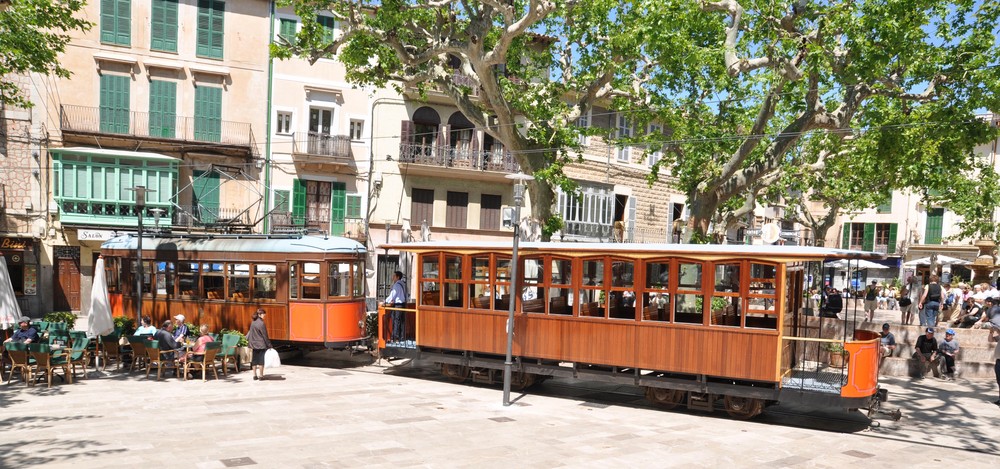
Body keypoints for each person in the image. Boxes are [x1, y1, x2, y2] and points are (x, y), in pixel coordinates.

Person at [383, 271, 408, 345]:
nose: (392, 277)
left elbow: (392, 295)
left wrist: (385, 302)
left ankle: (395, 338)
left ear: (398, 277)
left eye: (394, 276)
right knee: (402, 321)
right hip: (404, 304)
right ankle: (402, 337)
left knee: (396, 321)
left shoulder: (396, 285)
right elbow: (407, 295)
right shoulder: (404, 284)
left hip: (398, 305)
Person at [247, 308, 272, 381]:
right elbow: (265, 335)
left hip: (254, 344)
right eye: (264, 314)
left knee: (254, 360)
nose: (264, 315)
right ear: (259, 315)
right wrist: (269, 344)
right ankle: (261, 376)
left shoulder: (253, 322)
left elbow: (250, 332)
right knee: (261, 360)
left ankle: (254, 375)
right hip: (261, 344)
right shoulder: (261, 323)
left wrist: (246, 340)